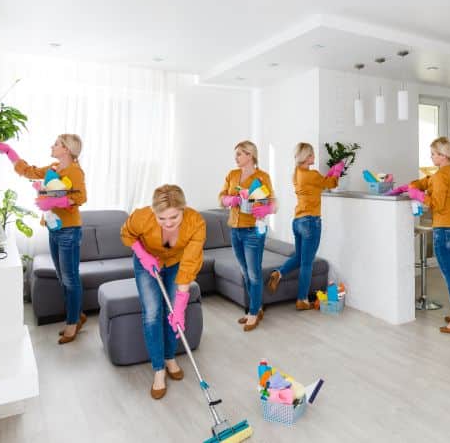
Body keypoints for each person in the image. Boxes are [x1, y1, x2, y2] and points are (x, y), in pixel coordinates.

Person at [0, 135, 87, 344]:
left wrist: (53, 199)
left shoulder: (74, 171)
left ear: (66, 149)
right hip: (55, 229)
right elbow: (29, 171)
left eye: (56, 144)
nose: (51, 146)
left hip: (69, 231)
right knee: (63, 277)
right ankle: (77, 315)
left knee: (70, 278)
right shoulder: (54, 168)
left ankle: (72, 323)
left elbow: (81, 197)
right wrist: (10, 153)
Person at [120, 184, 206, 399]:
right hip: (147, 262)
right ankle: (159, 369)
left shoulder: (196, 222)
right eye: (162, 219)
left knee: (172, 315)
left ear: (183, 210)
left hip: (176, 263)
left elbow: (190, 261)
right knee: (152, 314)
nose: (168, 223)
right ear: (154, 212)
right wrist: (142, 254)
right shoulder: (142, 217)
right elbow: (127, 234)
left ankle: (170, 358)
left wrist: (180, 305)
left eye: (174, 218)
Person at [393, 137, 450, 333]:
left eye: (433, 153)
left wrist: (417, 195)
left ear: (443, 156)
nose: (431, 156)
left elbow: (436, 204)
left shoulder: (440, 176)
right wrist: (412, 185)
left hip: (444, 230)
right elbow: (428, 181)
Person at [266, 143, 344, 309]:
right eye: (312, 154)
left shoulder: (297, 174)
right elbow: (331, 184)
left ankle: (278, 273)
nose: (314, 157)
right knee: (307, 263)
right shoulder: (312, 175)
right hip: (311, 222)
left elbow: (321, 183)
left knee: (299, 258)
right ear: (306, 156)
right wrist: (337, 170)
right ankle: (302, 300)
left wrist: (331, 173)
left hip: (298, 221)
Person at [218, 141, 275, 331]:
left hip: (253, 231)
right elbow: (221, 198)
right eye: (236, 155)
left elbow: (272, 203)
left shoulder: (262, 177)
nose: (236, 158)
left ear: (250, 155)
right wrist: (231, 199)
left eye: (240, 154)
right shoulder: (232, 175)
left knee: (254, 273)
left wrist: (262, 208)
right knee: (245, 272)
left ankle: (253, 312)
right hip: (235, 230)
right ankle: (256, 308)